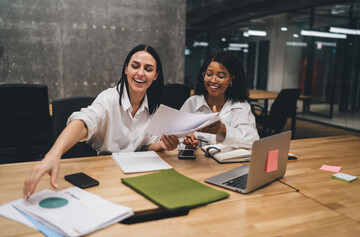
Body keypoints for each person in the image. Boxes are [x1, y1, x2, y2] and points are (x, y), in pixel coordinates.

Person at [23, 44, 179, 199]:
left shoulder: (152, 106)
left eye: (148, 69)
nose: (140, 73)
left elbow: (145, 143)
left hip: (135, 176)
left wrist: (162, 145)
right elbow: (83, 122)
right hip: (104, 175)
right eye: (135, 66)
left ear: (156, 75)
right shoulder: (109, 98)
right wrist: (53, 155)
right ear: (126, 69)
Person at [181, 50, 259, 149]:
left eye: (221, 76)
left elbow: (253, 141)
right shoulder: (192, 103)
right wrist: (189, 143)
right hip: (197, 163)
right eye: (209, 74)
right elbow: (177, 137)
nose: (213, 80)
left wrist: (223, 130)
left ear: (231, 79)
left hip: (227, 163)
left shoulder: (240, 106)